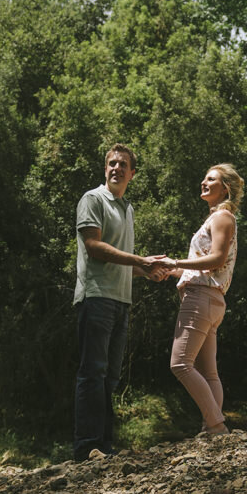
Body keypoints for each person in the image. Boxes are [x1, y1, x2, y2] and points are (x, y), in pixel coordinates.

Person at [72, 144, 161, 462]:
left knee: (110, 376)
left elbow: (122, 261)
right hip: (95, 297)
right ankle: (86, 448)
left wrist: (145, 271)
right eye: (112, 163)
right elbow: (94, 246)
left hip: (121, 301)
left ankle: (104, 447)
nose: (116, 168)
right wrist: (141, 259)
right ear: (105, 169)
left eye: (123, 164)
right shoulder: (92, 199)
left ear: (132, 174)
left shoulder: (128, 208)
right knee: (92, 373)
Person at [152, 164, 242, 437]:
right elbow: (206, 267)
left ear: (225, 187)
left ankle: (217, 425)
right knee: (208, 371)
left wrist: (176, 261)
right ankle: (212, 430)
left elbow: (215, 260)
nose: (204, 182)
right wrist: (171, 271)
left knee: (179, 364)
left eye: (211, 179)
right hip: (210, 299)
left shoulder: (222, 218)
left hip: (201, 299)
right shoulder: (217, 218)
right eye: (204, 177)